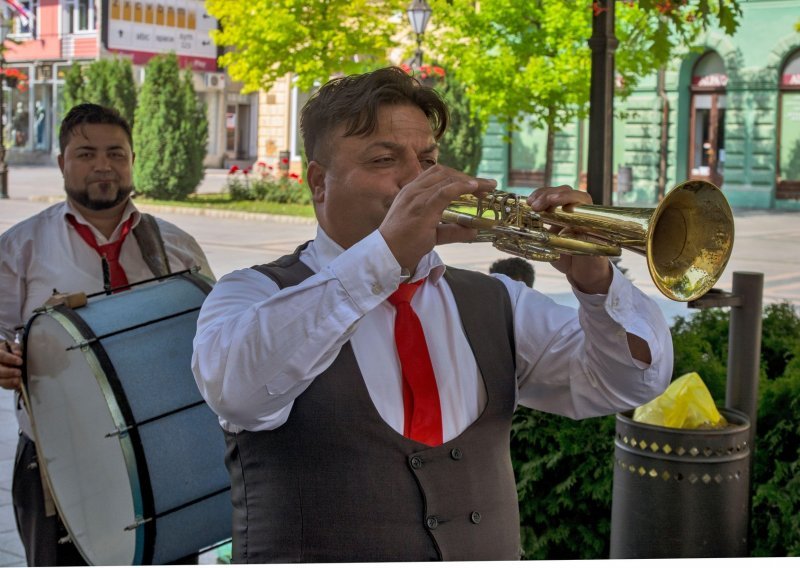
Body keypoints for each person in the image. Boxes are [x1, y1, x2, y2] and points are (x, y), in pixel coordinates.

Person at [191, 67, 673, 562]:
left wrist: (596, 283)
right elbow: (239, 394)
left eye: (428, 160)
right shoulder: (249, 293)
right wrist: (382, 257)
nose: (416, 179)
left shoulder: (496, 301)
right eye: (384, 159)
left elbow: (628, 384)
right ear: (319, 182)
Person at [0, 103, 213, 566]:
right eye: (86, 153)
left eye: (116, 153)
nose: (103, 165)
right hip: (56, 462)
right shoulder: (21, 247)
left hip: (166, 459)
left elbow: (212, 340)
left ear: (133, 160)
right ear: (62, 163)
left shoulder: (176, 247)